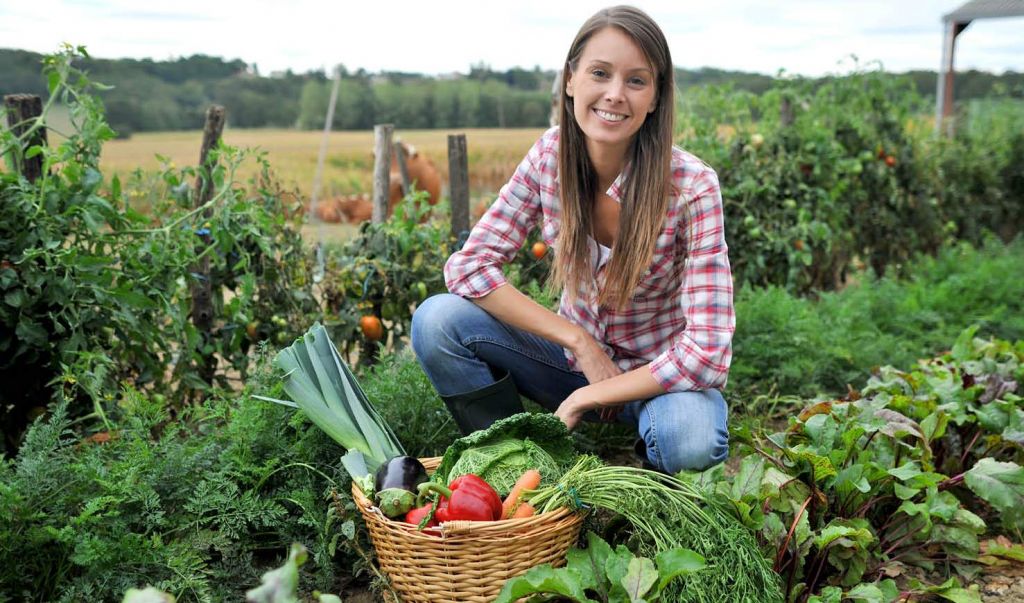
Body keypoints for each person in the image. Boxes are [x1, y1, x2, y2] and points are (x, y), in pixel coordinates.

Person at [411, 5, 733, 474]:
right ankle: (522, 465)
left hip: (659, 381)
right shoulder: (549, 157)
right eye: (600, 73)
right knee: (437, 320)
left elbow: (707, 351)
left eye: (636, 81)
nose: (615, 94)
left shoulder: (692, 187)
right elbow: (469, 267)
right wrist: (579, 341)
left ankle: (650, 483)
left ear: (656, 97)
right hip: (565, 364)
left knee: (687, 439)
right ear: (570, 80)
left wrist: (592, 393)